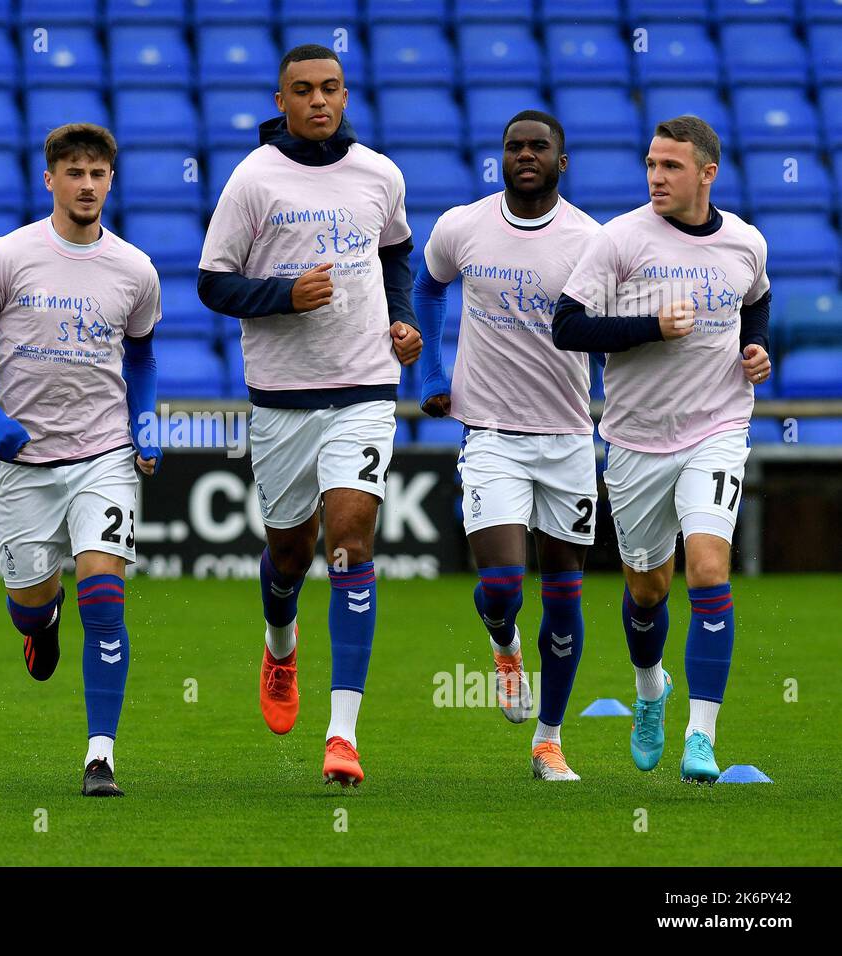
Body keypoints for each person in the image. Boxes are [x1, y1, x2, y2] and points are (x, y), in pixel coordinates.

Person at [198, 45, 421, 787]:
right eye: (303, 91)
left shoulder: (379, 173)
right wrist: (283, 296)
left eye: (330, 88)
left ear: (346, 93)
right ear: (282, 99)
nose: (319, 101)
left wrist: (401, 318)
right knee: (289, 556)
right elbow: (213, 285)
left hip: (364, 388)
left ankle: (343, 736)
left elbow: (396, 253)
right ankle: (279, 644)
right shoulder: (253, 179)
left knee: (351, 545)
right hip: (282, 398)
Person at [0, 123, 162, 797]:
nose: (87, 184)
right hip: (25, 463)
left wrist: (146, 427)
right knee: (30, 605)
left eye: (98, 173)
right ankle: (43, 622)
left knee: (104, 591)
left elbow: (143, 357)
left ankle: (101, 756)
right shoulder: (8, 257)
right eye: (74, 172)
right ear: (51, 180)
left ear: (111, 181)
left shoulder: (135, 268)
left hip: (103, 455)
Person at [554, 115, 772, 783]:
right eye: (651, 164)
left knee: (707, 570)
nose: (656, 176)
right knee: (647, 591)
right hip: (638, 438)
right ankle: (651, 691)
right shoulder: (619, 240)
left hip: (718, 428)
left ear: (707, 173)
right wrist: (650, 327)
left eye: (671, 166)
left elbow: (756, 301)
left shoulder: (745, 242)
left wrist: (754, 349)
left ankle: (701, 737)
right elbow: (568, 327)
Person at [412, 112, 603, 780]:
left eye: (539, 147)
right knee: (500, 584)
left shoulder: (591, 240)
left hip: (571, 438)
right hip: (490, 433)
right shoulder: (463, 226)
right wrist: (432, 372)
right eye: (514, 146)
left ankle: (549, 742)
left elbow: (616, 330)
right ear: (501, 156)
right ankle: (503, 643)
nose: (525, 155)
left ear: (562, 160)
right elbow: (427, 285)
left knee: (564, 593)